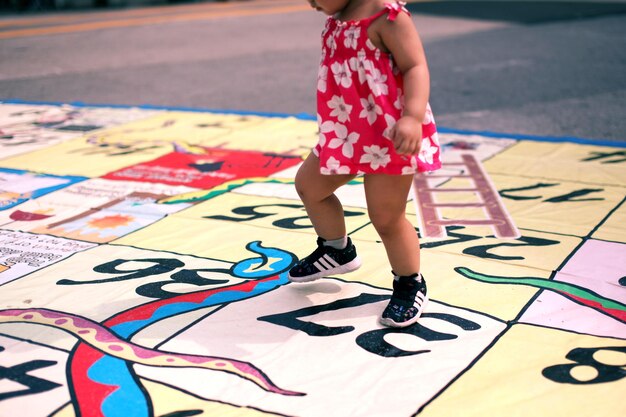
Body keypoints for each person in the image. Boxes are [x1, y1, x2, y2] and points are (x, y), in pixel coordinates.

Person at [289, 0, 441, 328]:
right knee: (309, 186)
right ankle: (337, 249)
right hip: (346, 129)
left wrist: (413, 117)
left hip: (390, 133)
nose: (312, 4)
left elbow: (415, 66)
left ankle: (409, 282)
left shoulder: (388, 16)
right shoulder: (338, 17)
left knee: (386, 217)